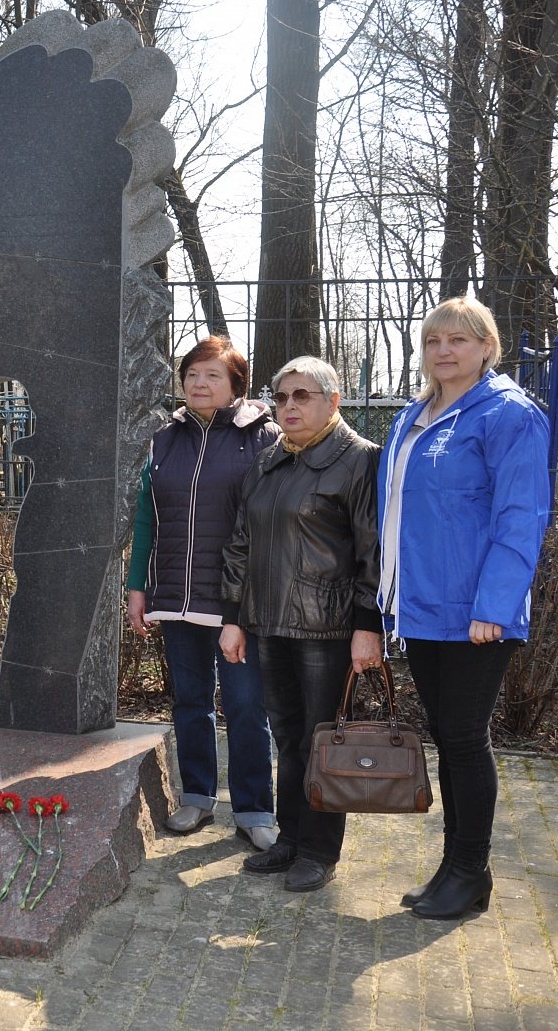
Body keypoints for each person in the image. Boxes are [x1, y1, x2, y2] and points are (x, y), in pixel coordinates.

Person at [378, 296, 550, 920]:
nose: (444, 350)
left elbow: (521, 516)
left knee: (463, 738)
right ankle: (455, 869)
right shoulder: (413, 417)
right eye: (433, 341)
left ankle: (471, 871)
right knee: (447, 742)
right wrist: (389, 601)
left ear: (486, 347)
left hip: (477, 613)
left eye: (459, 339)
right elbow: (398, 519)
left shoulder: (508, 414)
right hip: (421, 608)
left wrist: (495, 605)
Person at [220, 356, 382, 894]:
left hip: (327, 627)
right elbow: (241, 545)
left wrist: (367, 625)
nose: (289, 406)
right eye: (282, 396)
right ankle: (290, 838)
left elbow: (373, 552)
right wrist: (235, 619)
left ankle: (319, 850)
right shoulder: (268, 462)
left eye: (303, 396)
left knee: (322, 741)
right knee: (289, 739)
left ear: (333, 402)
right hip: (268, 622)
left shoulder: (359, 462)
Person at [127, 337, 279, 852]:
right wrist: (136, 586)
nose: (199, 383)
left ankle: (255, 806)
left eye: (212, 375)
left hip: (237, 602)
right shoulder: (164, 439)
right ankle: (196, 796)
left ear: (237, 383)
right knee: (191, 702)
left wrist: (248, 602)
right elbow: (148, 516)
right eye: (192, 373)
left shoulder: (263, 438)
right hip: (175, 595)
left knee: (244, 705)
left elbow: (267, 525)